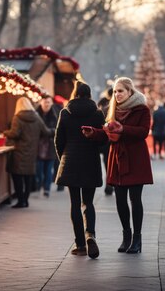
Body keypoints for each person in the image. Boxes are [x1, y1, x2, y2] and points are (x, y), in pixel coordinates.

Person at [83, 77, 153, 254]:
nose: (117, 94)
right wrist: (94, 133)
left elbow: (144, 132)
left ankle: (137, 239)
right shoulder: (113, 109)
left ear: (130, 91)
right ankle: (126, 236)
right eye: (115, 91)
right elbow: (108, 133)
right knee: (120, 199)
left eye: (121, 91)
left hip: (136, 157)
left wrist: (123, 129)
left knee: (135, 199)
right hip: (118, 158)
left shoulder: (141, 109)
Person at [55, 81, 105, 259]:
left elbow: (58, 140)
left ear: (75, 94)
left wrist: (64, 158)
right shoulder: (98, 114)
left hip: (71, 162)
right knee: (88, 203)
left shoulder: (66, 113)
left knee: (75, 204)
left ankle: (80, 244)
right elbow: (102, 140)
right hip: (90, 161)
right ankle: (90, 234)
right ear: (89, 94)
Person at [4, 97, 52, 208]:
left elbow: (15, 134)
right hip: (32, 151)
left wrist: (5, 133)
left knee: (17, 176)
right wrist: (55, 130)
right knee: (28, 176)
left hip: (19, 151)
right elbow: (46, 131)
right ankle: (26, 200)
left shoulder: (17, 117)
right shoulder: (37, 117)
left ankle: (21, 200)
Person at [36, 95, 58, 197]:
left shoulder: (55, 115)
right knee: (39, 170)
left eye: (49, 102)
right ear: (41, 102)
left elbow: (57, 129)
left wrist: (50, 132)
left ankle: (47, 189)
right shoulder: (36, 114)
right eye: (45, 102)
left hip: (51, 147)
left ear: (51, 103)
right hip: (38, 147)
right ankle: (40, 184)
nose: (47, 104)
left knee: (49, 170)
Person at [98, 88, 114, 195]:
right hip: (113, 140)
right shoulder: (115, 107)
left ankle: (109, 185)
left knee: (107, 164)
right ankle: (111, 184)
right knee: (113, 164)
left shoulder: (102, 105)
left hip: (105, 141)